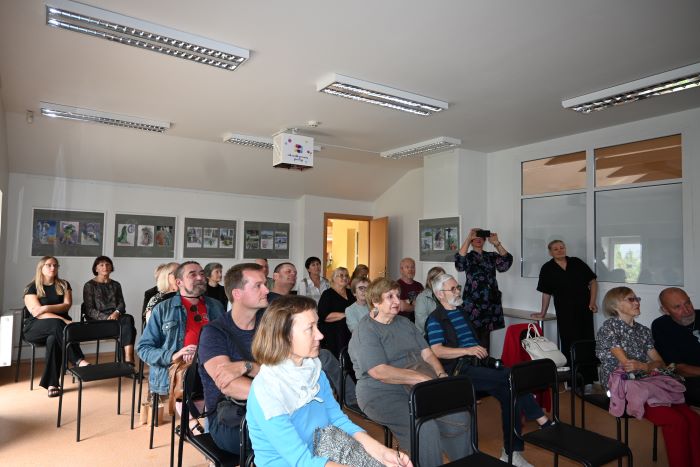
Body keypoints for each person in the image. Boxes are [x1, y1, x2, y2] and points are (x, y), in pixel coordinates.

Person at [247, 295, 411, 467]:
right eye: (310, 328)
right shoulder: (268, 390)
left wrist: (382, 452)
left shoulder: (313, 371)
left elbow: (337, 419)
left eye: (317, 326)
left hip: (322, 452)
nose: (320, 335)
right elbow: (301, 461)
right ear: (284, 336)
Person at [426, 273, 552, 467]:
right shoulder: (435, 319)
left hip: (477, 364)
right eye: (453, 289)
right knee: (512, 377)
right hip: (460, 371)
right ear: (439, 294)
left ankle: (511, 453)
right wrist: (467, 350)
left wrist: (477, 352)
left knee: (511, 392)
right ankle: (542, 421)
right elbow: (436, 350)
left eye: (458, 287)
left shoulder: (461, 313)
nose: (458, 291)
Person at [349, 277, 471, 466]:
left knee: (459, 414)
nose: (397, 301)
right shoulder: (365, 330)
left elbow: (428, 354)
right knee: (425, 426)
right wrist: (421, 379)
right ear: (375, 301)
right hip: (381, 393)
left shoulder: (404, 323)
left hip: (419, 385)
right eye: (390, 296)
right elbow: (379, 372)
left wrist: (440, 375)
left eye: (398, 296)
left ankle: (466, 462)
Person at [596, 287, 700, 467]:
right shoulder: (609, 328)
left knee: (693, 419)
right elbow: (627, 366)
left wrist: (645, 366)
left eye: (637, 298)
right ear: (615, 306)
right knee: (675, 421)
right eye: (630, 299)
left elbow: (660, 363)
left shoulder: (643, 331)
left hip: (647, 382)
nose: (637, 302)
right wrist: (647, 366)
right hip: (622, 386)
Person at [199, 263, 268, 454]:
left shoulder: (269, 325)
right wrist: (283, 392)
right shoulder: (214, 332)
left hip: (272, 408)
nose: (266, 290)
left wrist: (249, 367)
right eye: (258, 285)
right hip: (231, 418)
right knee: (290, 436)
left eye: (265, 284)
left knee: (312, 426)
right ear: (237, 294)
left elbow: (287, 369)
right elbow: (230, 385)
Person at [137, 261, 225, 397]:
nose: (200, 278)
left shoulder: (216, 306)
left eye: (202, 274)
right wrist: (173, 355)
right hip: (179, 372)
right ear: (179, 282)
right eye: (192, 274)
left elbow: (227, 339)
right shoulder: (162, 309)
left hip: (213, 367)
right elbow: (144, 349)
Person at [532, 239, 597, 386]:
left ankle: (589, 380)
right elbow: (546, 292)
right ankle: (573, 381)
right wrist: (542, 313)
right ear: (550, 252)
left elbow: (593, 282)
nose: (560, 250)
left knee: (587, 342)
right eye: (556, 249)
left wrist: (592, 302)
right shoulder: (547, 268)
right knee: (569, 343)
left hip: (584, 310)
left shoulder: (576, 262)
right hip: (565, 311)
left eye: (562, 247)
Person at [23, 256, 89, 397]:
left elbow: (66, 305)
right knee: (57, 324)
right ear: (41, 268)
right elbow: (38, 314)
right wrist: (62, 319)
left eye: (55, 265)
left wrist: (46, 307)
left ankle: (52, 384)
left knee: (53, 339)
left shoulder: (64, 284)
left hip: (58, 331)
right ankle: (78, 360)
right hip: (35, 328)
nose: (53, 268)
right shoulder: (32, 287)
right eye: (49, 265)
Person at [455, 228, 512, 351]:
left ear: (485, 239)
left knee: (485, 336)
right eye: (475, 237)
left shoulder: (491, 256)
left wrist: (497, 243)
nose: (478, 239)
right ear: (471, 240)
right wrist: (468, 238)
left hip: (490, 301)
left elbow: (505, 264)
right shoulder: (468, 257)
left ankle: (485, 361)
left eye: (481, 237)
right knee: (472, 335)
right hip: (472, 302)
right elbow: (459, 264)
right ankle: (473, 361)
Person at [82, 255, 137, 364]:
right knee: (130, 328)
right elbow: (89, 310)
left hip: (116, 318)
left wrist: (116, 313)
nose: (105, 267)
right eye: (101, 265)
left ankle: (128, 358)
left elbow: (121, 304)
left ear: (111, 267)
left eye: (107, 264)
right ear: (96, 268)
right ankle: (128, 360)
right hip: (97, 320)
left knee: (128, 318)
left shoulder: (116, 285)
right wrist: (106, 317)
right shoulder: (89, 285)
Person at [653, 287, 700, 406]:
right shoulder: (661, 326)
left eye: (687, 303)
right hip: (691, 379)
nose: (687, 310)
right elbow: (677, 367)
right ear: (665, 310)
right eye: (677, 307)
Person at [317, 267, 355, 358]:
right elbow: (324, 316)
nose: (344, 278)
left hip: (350, 330)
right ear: (333, 278)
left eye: (346, 275)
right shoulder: (327, 294)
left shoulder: (351, 293)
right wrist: (346, 314)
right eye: (341, 275)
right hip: (333, 333)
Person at [413, 266, 445, 334]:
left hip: (445, 333)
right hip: (426, 335)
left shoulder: (447, 294)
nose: (442, 282)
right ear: (431, 281)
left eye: (443, 278)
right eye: (438, 279)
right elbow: (422, 323)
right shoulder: (422, 298)